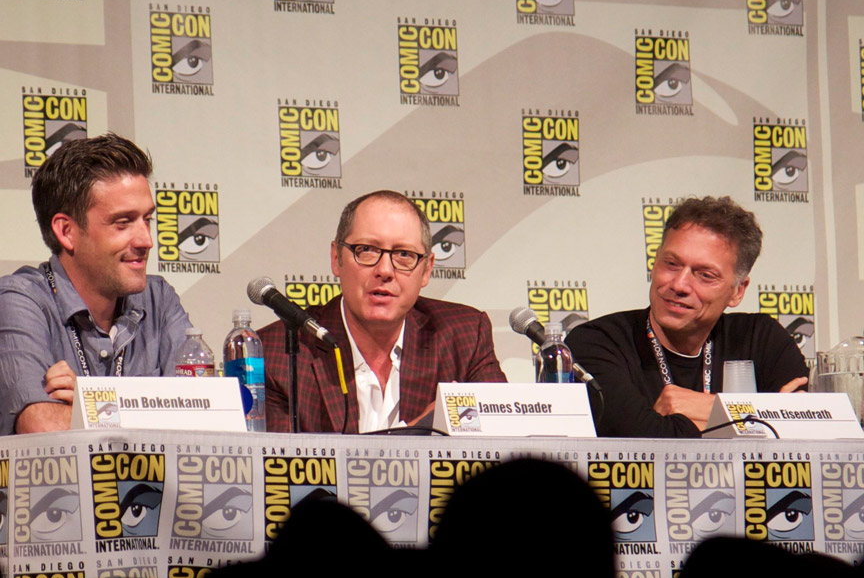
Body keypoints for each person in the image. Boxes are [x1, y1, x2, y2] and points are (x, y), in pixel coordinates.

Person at [260, 190, 506, 433]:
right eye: (367, 249)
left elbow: (503, 442)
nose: (385, 270)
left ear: (427, 270)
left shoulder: (465, 337)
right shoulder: (277, 354)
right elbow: (279, 468)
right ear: (337, 259)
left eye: (404, 255)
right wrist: (414, 433)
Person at [565, 196, 808, 438]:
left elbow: (809, 430)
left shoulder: (762, 339)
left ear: (737, 291)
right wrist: (762, 419)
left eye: (705, 275)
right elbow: (646, 441)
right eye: (671, 264)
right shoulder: (597, 342)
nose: (680, 284)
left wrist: (708, 408)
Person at [0, 133, 192, 435]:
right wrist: (151, 409)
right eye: (123, 222)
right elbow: (40, 425)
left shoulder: (160, 299)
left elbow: (205, 420)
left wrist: (95, 402)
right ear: (66, 231)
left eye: (147, 219)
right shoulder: (20, 300)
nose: (146, 240)